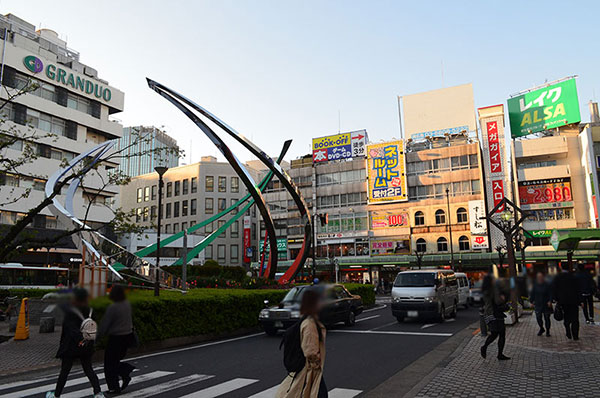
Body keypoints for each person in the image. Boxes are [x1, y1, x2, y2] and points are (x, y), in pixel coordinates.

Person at [46, 288, 104, 398]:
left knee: (65, 371)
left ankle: (56, 395)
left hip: (71, 346)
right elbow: (94, 326)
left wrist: (62, 344)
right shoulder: (90, 310)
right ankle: (98, 393)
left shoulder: (71, 311)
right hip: (87, 345)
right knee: (88, 369)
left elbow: (68, 329)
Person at [276, 288, 327, 398]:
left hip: (309, 369)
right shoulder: (309, 323)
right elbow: (310, 350)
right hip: (309, 370)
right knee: (316, 393)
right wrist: (316, 364)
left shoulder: (308, 320)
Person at [98, 285, 136, 395]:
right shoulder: (127, 304)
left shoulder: (113, 307)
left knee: (109, 364)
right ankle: (125, 371)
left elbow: (104, 325)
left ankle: (114, 387)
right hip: (127, 336)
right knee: (114, 362)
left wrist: (97, 338)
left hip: (115, 338)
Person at [480, 273, 510, 361]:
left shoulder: (485, 290)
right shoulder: (494, 289)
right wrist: (503, 299)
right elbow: (498, 301)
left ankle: (485, 347)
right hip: (496, 314)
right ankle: (498, 353)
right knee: (501, 334)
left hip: (489, 314)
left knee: (494, 334)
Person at [552, 262, 581, 340]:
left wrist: (556, 299)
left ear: (561, 267)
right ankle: (575, 335)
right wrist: (580, 301)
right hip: (573, 301)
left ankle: (568, 332)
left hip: (563, 301)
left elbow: (554, 289)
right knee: (575, 318)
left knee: (566, 317)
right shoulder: (574, 277)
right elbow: (578, 289)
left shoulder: (558, 277)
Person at [529, 272, 552, 337]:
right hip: (538, 304)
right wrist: (531, 301)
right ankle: (541, 328)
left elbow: (550, 293)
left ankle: (548, 330)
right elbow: (532, 294)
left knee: (547, 318)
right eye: (538, 277)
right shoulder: (535, 285)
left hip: (546, 304)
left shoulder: (547, 284)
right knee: (538, 317)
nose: (540, 278)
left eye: (541, 277)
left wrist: (550, 301)